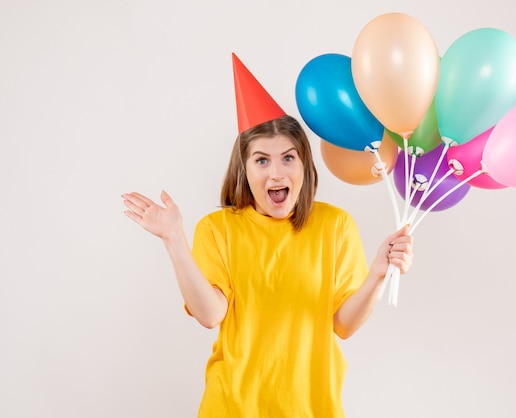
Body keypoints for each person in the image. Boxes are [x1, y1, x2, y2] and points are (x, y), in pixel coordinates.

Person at [122, 53, 413, 418]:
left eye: (288, 158)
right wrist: (174, 239)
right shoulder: (218, 230)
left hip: (313, 408)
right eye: (262, 160)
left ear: (304, 165)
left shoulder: (335, 226)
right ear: (244, 169)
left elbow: (344, 325)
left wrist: (377, 275)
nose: (276, 173)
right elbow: (211, 315)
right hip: (232, 408)